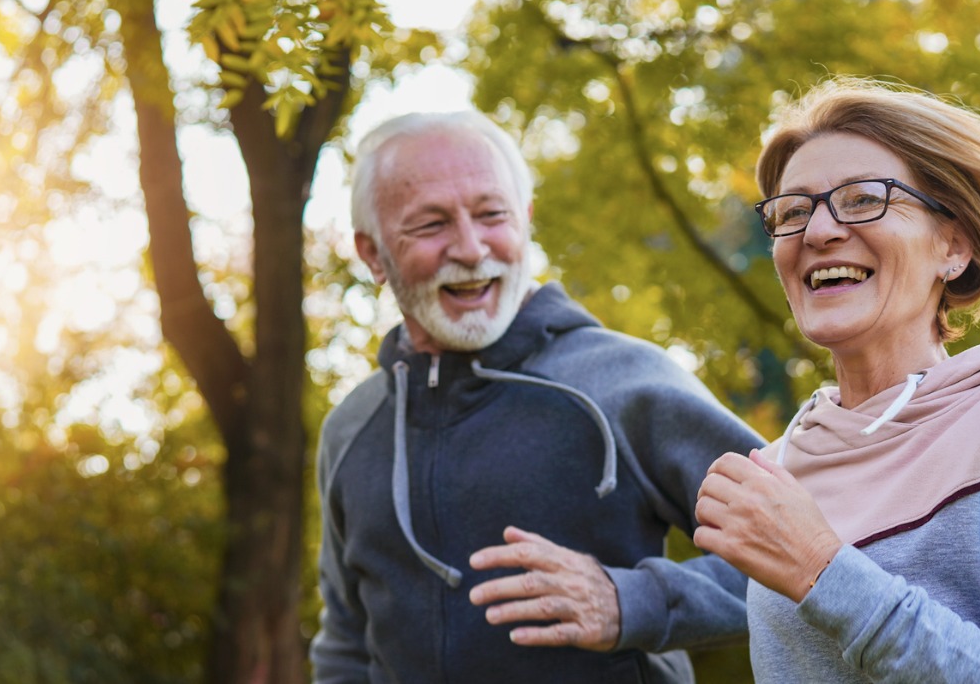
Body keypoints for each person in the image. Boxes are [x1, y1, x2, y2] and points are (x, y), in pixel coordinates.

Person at [692, 79, 980, 682]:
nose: (817, 232)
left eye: (863, 198)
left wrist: (824, 572)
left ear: (954, 246)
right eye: (793, 212)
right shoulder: (778, 468)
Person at [311, 110, 765, 683]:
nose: (472, 249)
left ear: (524, 221)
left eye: (491, 214)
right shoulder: (352, 428)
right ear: (373, 254)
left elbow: (806, 557)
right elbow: (347, 641)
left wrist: (632, 601)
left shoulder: (624, 382)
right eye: (431, 225)